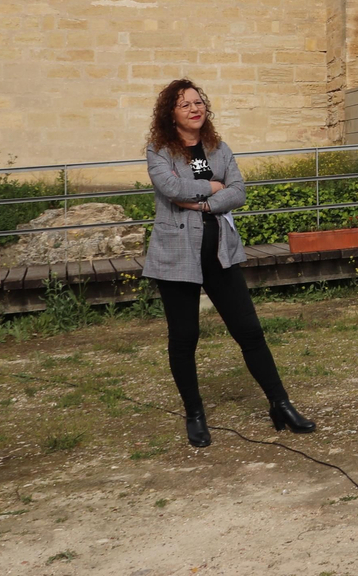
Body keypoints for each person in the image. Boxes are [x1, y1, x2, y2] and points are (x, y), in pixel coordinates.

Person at [142, 79, 315, 447]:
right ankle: (194, 414)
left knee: (249, 331)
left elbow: (239, 192)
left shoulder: (219, 149)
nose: (194, 109)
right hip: (176, 256)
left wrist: (205, 202)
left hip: (220, 253)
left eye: (198, 102)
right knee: (185, 337)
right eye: (185, 104)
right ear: (170, 114)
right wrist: (212, 186)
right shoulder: (159, 150)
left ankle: (281, 404)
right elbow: (171, 189)